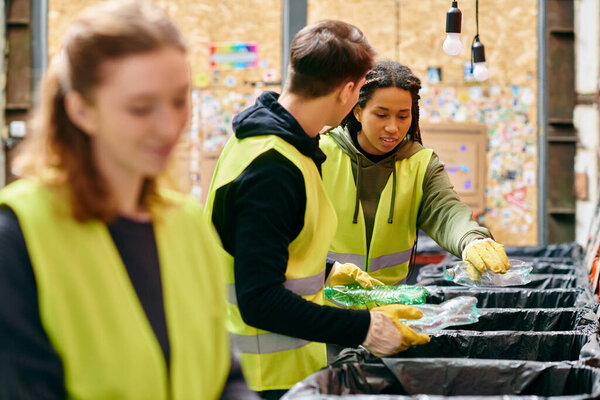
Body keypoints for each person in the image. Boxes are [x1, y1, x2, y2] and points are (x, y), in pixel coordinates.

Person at [0, 2, 257, 399]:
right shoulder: (18, 238)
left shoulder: (188, 224)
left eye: (179, 100)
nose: (169, 126)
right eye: (141, 108)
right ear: (81, 110)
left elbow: (224, 375)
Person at [205, 20, 430, 399]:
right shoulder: (272, 169)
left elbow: (273, 252)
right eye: (360, 91)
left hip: (289, 372)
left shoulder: (282, 147)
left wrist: (332, 273)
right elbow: (259, 299)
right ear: (347, 92)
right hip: (262, 380)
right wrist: (364, 328)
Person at [320, 61, 510, 286]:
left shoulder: (421, 163)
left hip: (387, 306)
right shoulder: (320, 154)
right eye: (381, 115)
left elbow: (446, 210)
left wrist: (472, 240)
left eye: (403, 116)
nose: (393, 127)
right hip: (322, 307)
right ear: (358, 111)